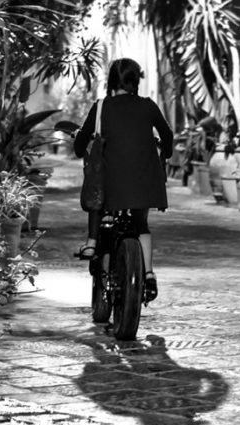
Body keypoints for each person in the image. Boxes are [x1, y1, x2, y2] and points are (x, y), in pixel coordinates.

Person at [73, 58, 173, 302]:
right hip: (145, 180)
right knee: (141, 225)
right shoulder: (148, 106)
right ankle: (148, 273)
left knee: (106, 215)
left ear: (111, 81)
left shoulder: (101, 107)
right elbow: (167, 135)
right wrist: (166, 153)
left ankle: (94, 245)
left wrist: (79, 145)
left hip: (111, 182)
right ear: (136, 81)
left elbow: (80, 145)